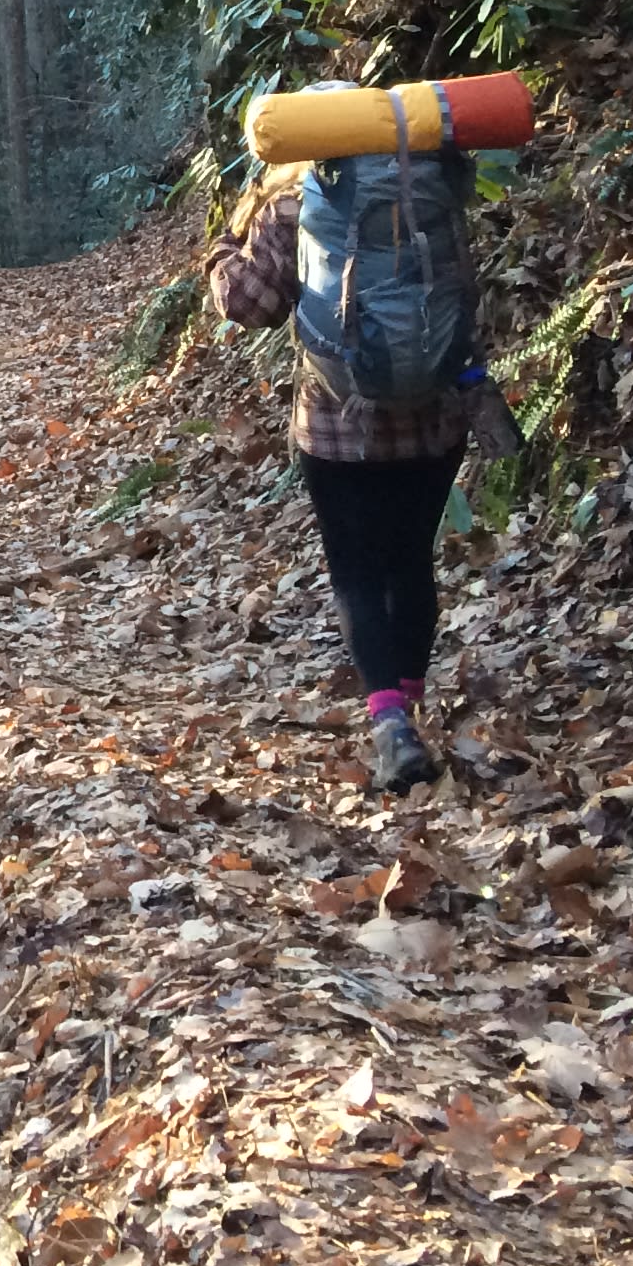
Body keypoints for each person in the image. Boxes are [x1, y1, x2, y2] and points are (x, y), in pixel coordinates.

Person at [206, 159, 469, 792]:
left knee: (356, 570)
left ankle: (391, 724)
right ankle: (405, 708)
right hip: (432, 415)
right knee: (409, 559)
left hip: (336, 424)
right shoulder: (428, 186)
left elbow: (252, 303)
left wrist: (220, 253)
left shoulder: (297, 203)